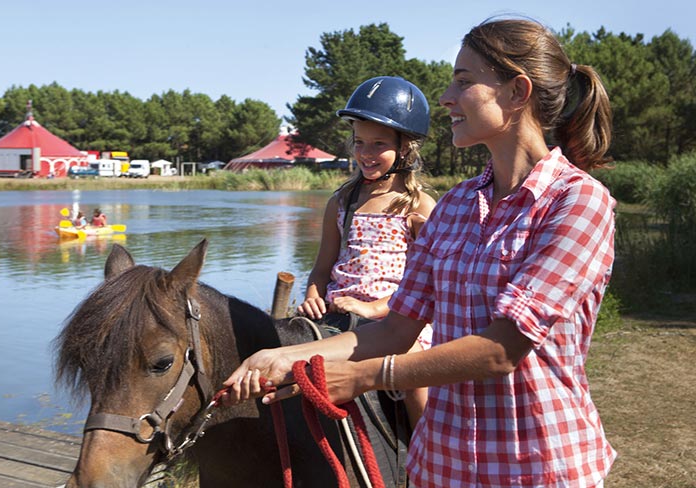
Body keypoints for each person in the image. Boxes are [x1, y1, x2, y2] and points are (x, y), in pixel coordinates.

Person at [224, 17, 616, 488]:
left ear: (517, 91)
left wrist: (366, 377)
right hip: (440, 466)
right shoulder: (454, 206)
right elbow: (394, 328)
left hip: (535, 466)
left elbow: (501, 350)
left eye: (464, 81)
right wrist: (285, 356)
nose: (447, 97)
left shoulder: (578, 202)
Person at [296, 75, 436, 427]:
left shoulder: (419, 206)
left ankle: (426, 456)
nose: (365, 154)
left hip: (397, 317)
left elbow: (427, 286)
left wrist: (372, 307)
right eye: (359, 142)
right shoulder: (342, 202)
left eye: (378, 144)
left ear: (404, 148)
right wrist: (313, 293)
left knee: (415, 376)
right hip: (338, 310)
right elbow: (322, 268)